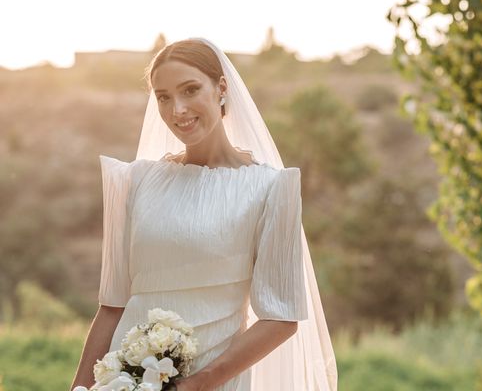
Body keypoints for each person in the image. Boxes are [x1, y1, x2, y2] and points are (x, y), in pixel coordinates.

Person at [70, 38, 338, 391]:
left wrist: (196, 384)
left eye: (190, 90)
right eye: (163, 97)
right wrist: (79, 387)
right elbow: (111, 306)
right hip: (121, 380)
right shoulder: (134, 181)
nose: (177, 109)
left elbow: (280, 317)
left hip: (213, 381)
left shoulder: (270, 188)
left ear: (221, 88)